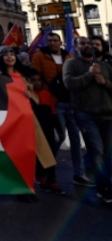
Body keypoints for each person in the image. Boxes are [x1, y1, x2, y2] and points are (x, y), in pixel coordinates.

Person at [32, 32, 86, 185]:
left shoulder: (69, 56)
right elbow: (36, 77)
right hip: (53, 103)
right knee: (57, 138)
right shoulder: (39, 56)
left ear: (60, 42)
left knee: (75, 139)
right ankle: (47, 170)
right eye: (50, 41)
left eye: (55, 41)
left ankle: (79, 173)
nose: (52, 43)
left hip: (70, 101)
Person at [63, 36, 112, 204]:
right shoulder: (71, 64)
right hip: (86, 114)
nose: (88, 46)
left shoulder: (105, 65)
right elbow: (70, 84)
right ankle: (105, 189)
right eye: (83, 43)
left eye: (93, 44)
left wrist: (104, 81)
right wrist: (90, 75)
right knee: (96, 151)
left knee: (108, 153)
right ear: (77, 46)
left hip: (107, 114)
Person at [27, 69, 65, 195]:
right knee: (38, 155)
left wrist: (59, 130)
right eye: (33, 80)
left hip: (48, 129)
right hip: (34, 130)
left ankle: (52, 180)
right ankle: (41, 177)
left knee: (51, 155)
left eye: (39, 80)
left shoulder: (47, 94)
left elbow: (53, 114)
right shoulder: (27, 96)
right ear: (28, 82)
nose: (37, 83)